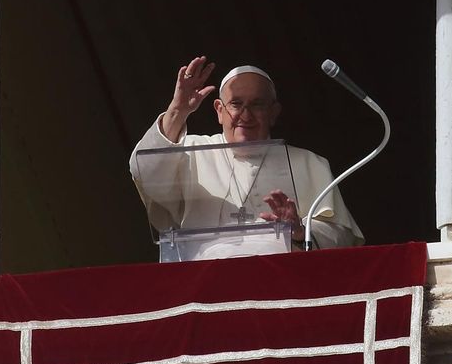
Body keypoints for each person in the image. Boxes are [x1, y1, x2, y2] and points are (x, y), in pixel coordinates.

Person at [130, 55, 362, 259]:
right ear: (219, 111)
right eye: (236, 104)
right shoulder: (189, 150)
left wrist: (301, 231)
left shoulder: (309, 163)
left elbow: (342, 237)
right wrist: (177, 110)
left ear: (273, 113)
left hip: (282, 279)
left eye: (257, 105)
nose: (245, 115)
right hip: (204, 279)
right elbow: (145, 172)